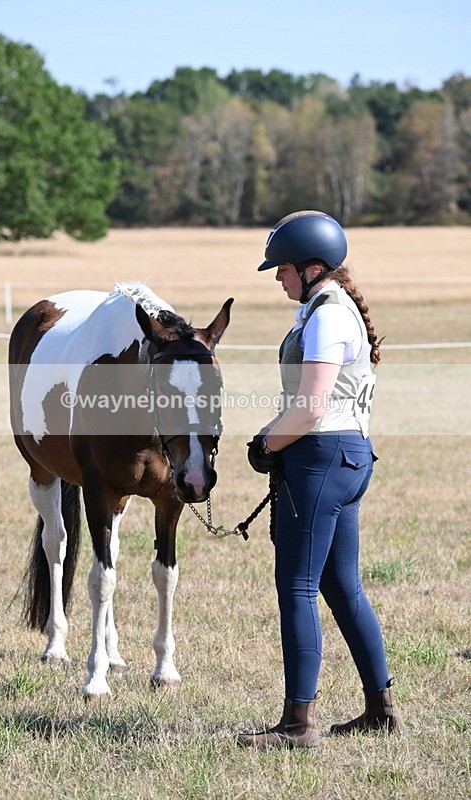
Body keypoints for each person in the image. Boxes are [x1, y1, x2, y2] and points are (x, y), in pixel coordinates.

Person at [238, 210, 404, 750]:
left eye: (282, 268)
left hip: (321, 459)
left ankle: (298, 724)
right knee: (340, 586)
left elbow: (310, 407)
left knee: (298, 586)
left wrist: (267, 443)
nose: (277, 278)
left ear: (311, 267)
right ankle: (380, 709)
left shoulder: (328, 315)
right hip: (345, 458)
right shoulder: (329, 308)